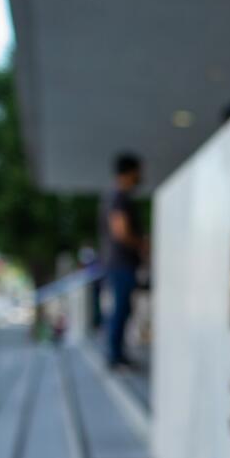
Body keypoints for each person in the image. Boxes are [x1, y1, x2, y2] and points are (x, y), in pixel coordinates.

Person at [99, 152, 146, 369]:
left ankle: (116, 354)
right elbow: (121, 231)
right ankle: (115, 356)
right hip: (121, 263)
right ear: (129, 172)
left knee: (122, 308)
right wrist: (143, 245)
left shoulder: (113, 196)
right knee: (121, 309)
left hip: (119, 263)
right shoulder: (119, 197)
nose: (140, 175)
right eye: (138, 170)